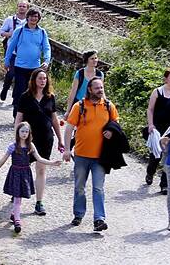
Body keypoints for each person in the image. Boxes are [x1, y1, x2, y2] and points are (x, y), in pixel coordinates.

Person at [63, 77, 119, 232]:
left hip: (101, 156)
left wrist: (111, 131)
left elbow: (116, 125)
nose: (100, 91)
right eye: (97, 88)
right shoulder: (79, 106)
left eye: (101, 88)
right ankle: (79, 214)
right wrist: (67, 149)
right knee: (79, 186)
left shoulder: (108, 106)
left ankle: (99, 219)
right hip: (81, 155)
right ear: (89, 89)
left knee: (98, 188)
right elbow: (69, 128)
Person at [0, 122, 63, 234]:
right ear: (18, 132)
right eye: (22, 131)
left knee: (20, 196)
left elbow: (39, 159)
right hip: (15, 173)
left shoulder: (31, 146)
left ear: (29, 133)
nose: (24, 134)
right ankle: (17, 221)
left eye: (26, 131)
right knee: (17, 198)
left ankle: (14, 214)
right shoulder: (13, 146)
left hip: (25, 173)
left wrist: (52, 163)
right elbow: (4, 159)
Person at [14, 69, 64, 216]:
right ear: (34, 80)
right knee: (22, 167)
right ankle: (17, 192)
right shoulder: (25, 97)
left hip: (46, 139)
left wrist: (60, 140)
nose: (43, 81)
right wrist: (17, 138)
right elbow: (19, 118)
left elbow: (54, 119)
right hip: (27, 139)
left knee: (41, 170)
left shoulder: (50, 97)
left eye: (45, 78)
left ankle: (39, 202)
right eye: (40, 78)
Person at [3, 9, 51, 116]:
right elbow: (11, 47)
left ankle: (28, 114)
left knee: (33, 92)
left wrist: (46, 60)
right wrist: (6, 61)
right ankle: (17, 114)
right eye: (32, 16)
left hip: (34, 68)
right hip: (20, 66)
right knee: (20, 91)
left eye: (36, 17)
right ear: (27, 17)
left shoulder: (42, 32)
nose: (34, 19)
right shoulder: (19, 31)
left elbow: (46, 48)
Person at [145, 69, 170, 194]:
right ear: (165, 79)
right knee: (156, 155)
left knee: (169, 156)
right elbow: (150, 109)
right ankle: (150, 172)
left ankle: (164, 184)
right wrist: (151, 124)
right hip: (158, 127)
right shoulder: (157, 92)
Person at [0, 1, 30, 101]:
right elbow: (1, 32)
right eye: (20, 6)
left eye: (24, 6)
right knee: (11, 73)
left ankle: (15, 97)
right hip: (11, 50)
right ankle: (5, 88)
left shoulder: (29, 22)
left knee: (20, 75)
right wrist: (10, 34)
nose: (22, 8)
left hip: (24, 52)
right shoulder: (10, 20)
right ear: (17, 7)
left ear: (27, 8)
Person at [64, 50, 105, 119]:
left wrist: (106, 106)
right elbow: (73, 92)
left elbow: (101, 92)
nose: (95, 60)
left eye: (96, 58)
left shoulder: (100, 74)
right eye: (92, 58)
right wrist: (68, 111)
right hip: (79, 104)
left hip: (93, 105)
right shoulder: (79, 73)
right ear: (87, 60)